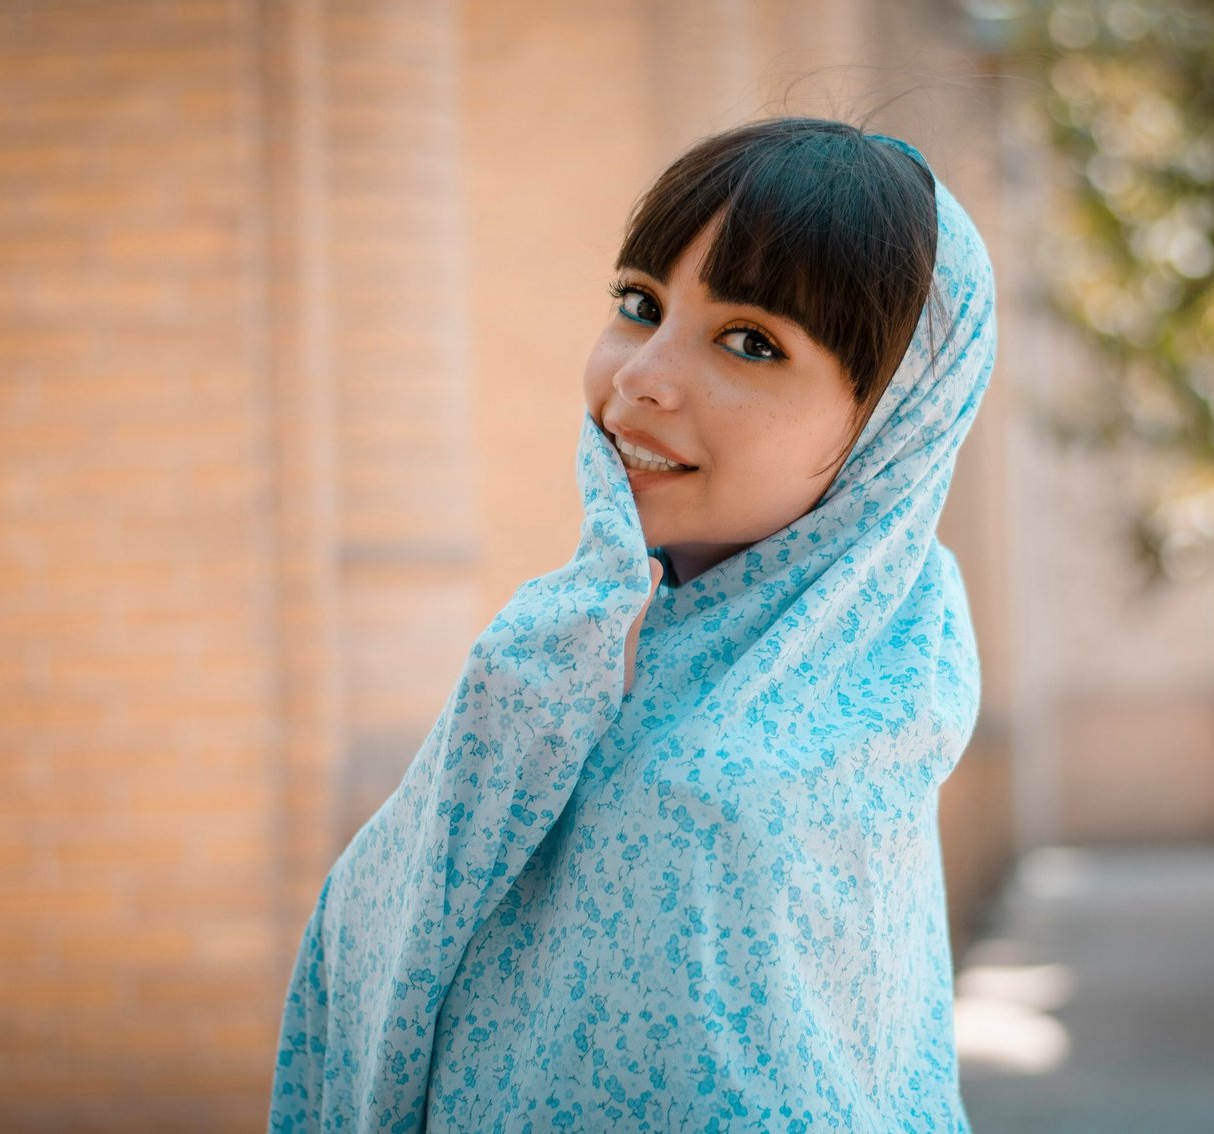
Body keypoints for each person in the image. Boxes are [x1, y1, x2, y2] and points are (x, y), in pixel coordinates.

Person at [269, 115, 996, 1133]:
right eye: (638, 304)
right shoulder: (580, 639)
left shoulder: (830, 707)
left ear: (889, 425)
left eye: (750, 342)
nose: (640, 376)